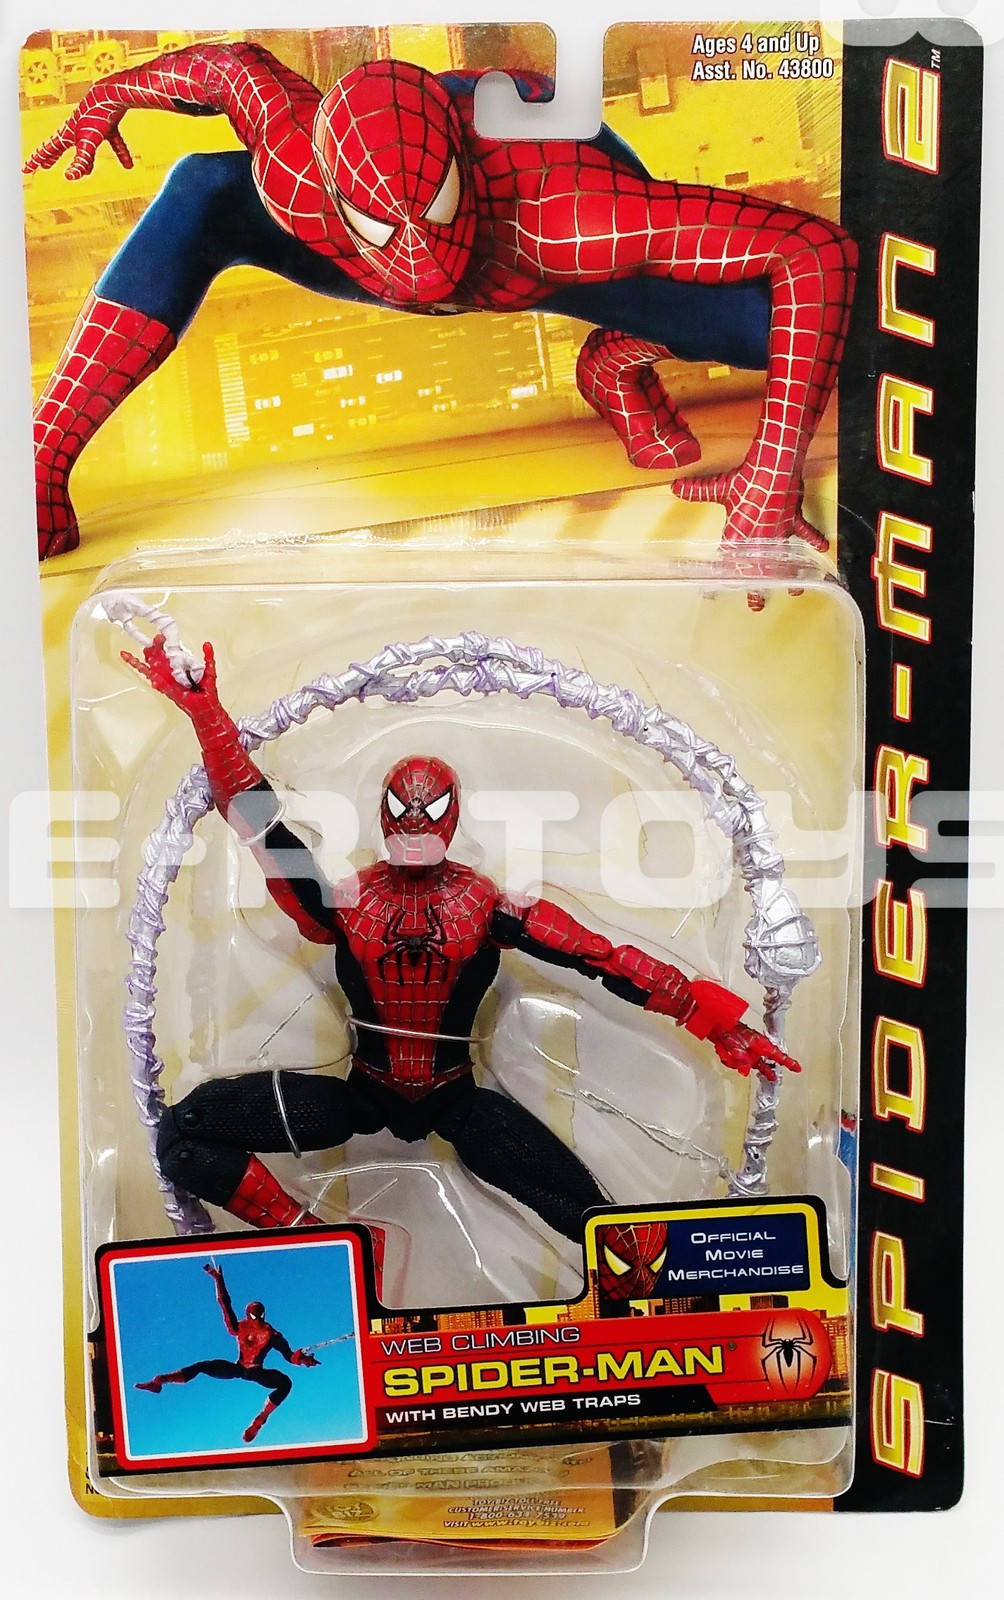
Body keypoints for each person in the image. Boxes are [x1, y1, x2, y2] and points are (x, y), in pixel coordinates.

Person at [25, 42, 856, 557]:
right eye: (386, 223)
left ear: (462, 172)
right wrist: (108, 96)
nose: (420, 263)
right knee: (201, 188)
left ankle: (615, 361)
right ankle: (42, 457)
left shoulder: (570, 216)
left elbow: (817, 253)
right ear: (331, 189)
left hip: (540, 254)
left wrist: (771, 473)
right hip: (380, 241)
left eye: (435, 208)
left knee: (779, 331)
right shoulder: (292, 163)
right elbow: (228, 68)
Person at [125, 633, 800, 1244]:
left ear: (451, 819)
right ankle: (325, 1250)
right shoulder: (351, 903)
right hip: (363, 1092)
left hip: (456, 1098)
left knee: (600, 1225)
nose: (416, 823)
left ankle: (650, 1284)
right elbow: (259, 824)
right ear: (384, 813)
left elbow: (603, 957)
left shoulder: (483, 907)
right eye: (404, 810)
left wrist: (714, 1019)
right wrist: (205, 714)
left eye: (430, 812)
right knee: (184, 1139)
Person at [135, 1262, 320, 1442]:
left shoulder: (269, 1333)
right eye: (255, 1316)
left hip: (250, 1370)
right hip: (242, 1369)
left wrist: (301, 1359)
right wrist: (218, 1280)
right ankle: (159, 1380)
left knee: (285, 1383)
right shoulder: (250, 1329)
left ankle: (260, 1420)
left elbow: (289, 1355)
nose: (257, 1319)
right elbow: (225, 1305)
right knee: (202, 1366)